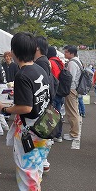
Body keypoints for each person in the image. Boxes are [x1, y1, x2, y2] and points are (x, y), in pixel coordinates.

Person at [0, 32, 51, 191]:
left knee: (27, 172)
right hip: (44, 128)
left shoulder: (22, 75)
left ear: (15, 52)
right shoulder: (40, 70)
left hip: (31, 131)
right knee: (34, 170)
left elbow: (25, 107)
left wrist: (6, 109)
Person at [33, 36, 54, 172]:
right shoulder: (44, 61)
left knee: (40, 135)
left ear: (37, 48)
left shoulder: (41, 63)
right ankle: (43, 163)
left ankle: (41, 164)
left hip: (43, 105)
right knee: (42, 135)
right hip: (47, 104)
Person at [62, 45, 83, 150]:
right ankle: (73, 132)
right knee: (73, 111)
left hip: (71, 89)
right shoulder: (77, 61)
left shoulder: (72, 63)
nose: (65, 54)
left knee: (72, 112)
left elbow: (70, 78)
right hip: (75, 89)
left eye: (66, 52)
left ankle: (74, 133)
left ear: (71, 53)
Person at [47, 46, 65, 142]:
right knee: (58, 114)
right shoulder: (60, 62)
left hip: (54, 92)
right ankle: (58, 135)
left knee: (51, 115)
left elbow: (51, 79)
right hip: (61, 92)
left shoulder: (50, 63)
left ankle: (51, 136)